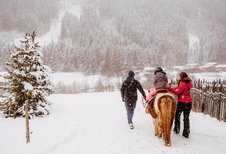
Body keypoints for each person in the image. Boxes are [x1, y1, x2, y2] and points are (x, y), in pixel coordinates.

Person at [168, 72, 192, 138]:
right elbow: (178, 88)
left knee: (177, 116)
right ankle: (186, 133)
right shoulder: (188, 82)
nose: (179, 77)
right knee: (186, 118)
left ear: (182, 77)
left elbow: (177, 91)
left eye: (180, 76)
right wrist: (172, 87)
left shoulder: (183, 83)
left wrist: (169, 88)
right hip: (189, 102)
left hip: (182, 102)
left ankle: (177, 129)